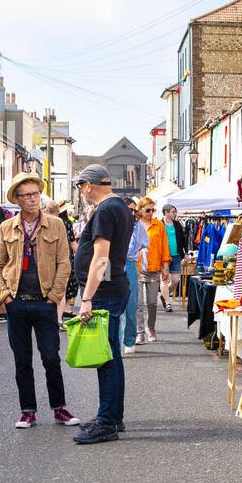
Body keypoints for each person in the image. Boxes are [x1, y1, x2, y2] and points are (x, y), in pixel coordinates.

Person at [0, 172, 81, 429]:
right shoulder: (8, 227)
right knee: (22, 360)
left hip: (45, 302)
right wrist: (4, 296)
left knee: (51, 356)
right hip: (16, 302)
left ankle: (59, 408)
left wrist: (54, 296)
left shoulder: (56, 224)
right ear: (17, 199)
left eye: (35, 194)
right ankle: (27, 411)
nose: (33, 199)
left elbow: (65, 263)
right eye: (27, 195)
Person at [72, 164, 135, 444]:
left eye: (80, 186)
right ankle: (113, 416)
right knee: (111, 354)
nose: (81, 192)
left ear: (88, 185)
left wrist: (86, 298)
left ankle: (107, 422)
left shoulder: (106, 209)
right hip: (113, 286)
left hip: (105, 291)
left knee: (105, 357)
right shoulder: (119, 206)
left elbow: (101, 258)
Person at [138, 198, 171, 343]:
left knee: (152, 302)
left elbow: (165, 246)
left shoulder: (159, 225)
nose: (151, 213)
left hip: (154, 268)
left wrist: (166, 266)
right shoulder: (134, 224)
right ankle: (139, 332)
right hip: (137, 268)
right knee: (138, 303)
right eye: (148, 210)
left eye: (153, 210)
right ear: (140, 210)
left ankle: (150, 327)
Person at [122, 198, 149, 355]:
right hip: (110, 263)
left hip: (130, 263)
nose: (132, 213)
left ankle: (130, 340)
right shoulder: (112, 222)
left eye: (134, 210)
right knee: (110, 303)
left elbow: (145, 243)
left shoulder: (137, 226)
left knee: (131, 304)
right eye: (128, 209)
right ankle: (112, 341)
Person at [161, 204, 187, 312]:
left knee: (176, 280)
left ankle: (164, 295)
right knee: (164, 279)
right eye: (173, 212)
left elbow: (183, 238)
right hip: (163, 256)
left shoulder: (177, 224)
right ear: (166, 212)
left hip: (176, 255)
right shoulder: (159, 224)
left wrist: (185, 253)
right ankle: (168, 303)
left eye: (175, 212)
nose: (174, 214)